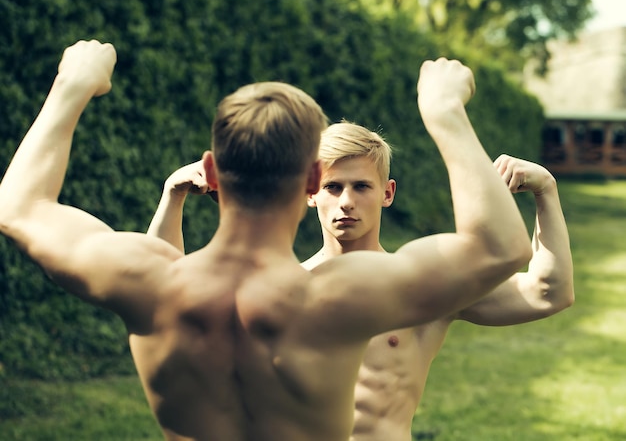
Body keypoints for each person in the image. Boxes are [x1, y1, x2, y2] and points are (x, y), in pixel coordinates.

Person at [0, 39, 532, 441]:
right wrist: (445, 114)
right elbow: (500, 246)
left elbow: (20, 207)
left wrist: (71, 86)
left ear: (211, 169)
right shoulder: (342, 293)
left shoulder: (146, 277)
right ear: (310, 182)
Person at [150, 123, 574, 441]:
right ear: (311, 191)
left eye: (361, 187)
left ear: (387, 193)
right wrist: (173, 195)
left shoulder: (421, 288)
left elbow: (547, 292)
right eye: (333, 187)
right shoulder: (281, 287)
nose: (347, 202)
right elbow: (162, 295)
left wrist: (547, 193)